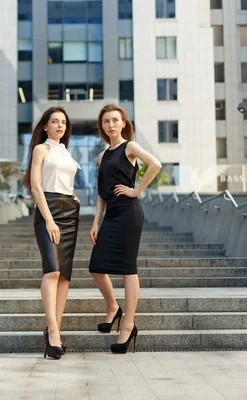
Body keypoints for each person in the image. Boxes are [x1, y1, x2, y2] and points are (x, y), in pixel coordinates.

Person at [88, 104, 161, 354]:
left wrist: (137, 190)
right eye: (106, 121)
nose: (111, 125)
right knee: (96, 267)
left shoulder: (129, 146)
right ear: (102, 126)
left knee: (128, 270)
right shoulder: (102, 156)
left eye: (115, 120)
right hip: (111, 214)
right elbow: (101, 194)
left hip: (129, 212)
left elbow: (155, 164)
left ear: (123, 123)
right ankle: (113, 308)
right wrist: (96, 221)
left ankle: (128, 325)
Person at [23, 107, 81, 360]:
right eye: (55, 122)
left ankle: (54, 328)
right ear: (45, 126)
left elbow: (67, 181)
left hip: (70, 212)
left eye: (63, 123)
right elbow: (36, 186)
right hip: (49, 210)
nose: (60, 126)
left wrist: (74, 197)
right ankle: (53, 332)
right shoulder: (41, 149)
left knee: (65, 276)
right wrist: (48, 219)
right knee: (52, 271)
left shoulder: (66, 152)